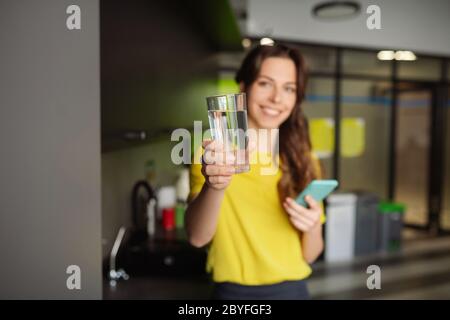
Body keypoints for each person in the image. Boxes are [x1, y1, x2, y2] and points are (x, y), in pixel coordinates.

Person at [185, 43, 325, 300]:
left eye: (289, 88)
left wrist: (313, 227)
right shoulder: (212, 158)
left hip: (294, 290)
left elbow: (310, 254)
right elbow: (197, 237)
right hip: (233, 293)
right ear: (243, 87)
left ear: (296, 98)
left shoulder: (306, 161)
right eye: (265, 83)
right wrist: (215, 184)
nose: (277, 98)